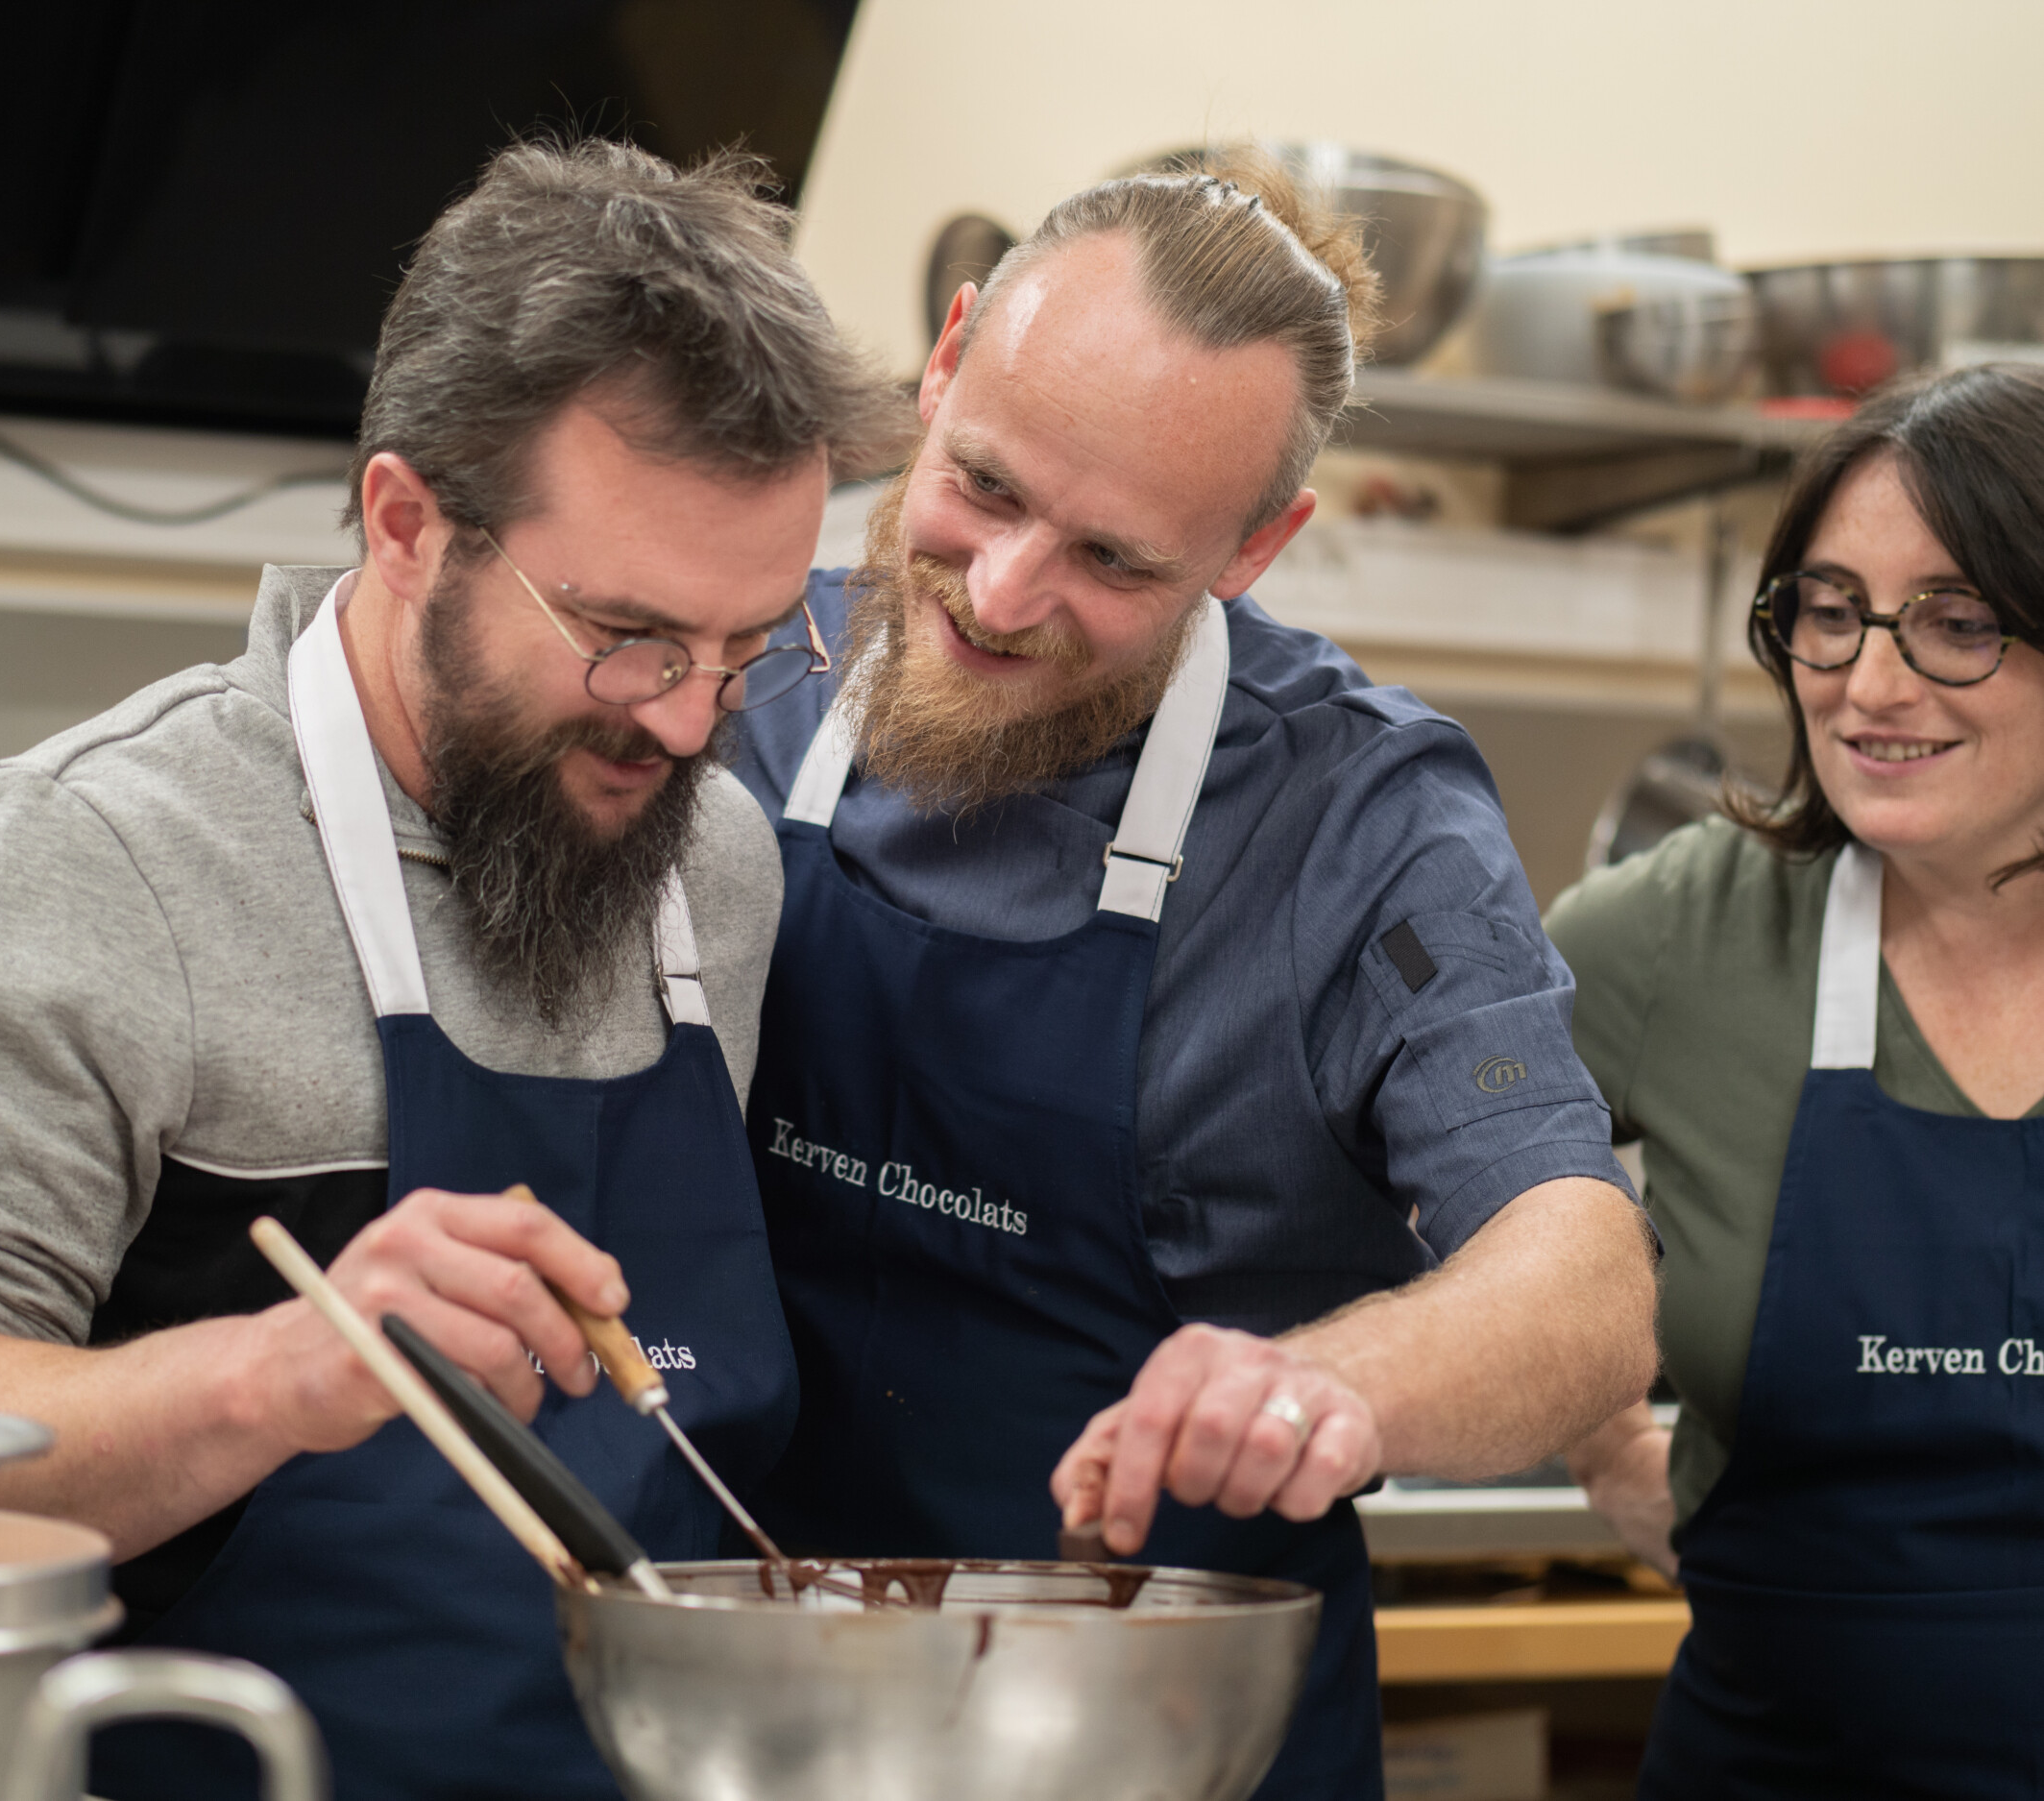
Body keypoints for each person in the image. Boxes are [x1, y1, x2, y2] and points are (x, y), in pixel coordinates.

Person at [0, 140, 890, 1801]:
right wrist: (275, 1375)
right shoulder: (87, 867)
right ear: (409, 522)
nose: (689, 716)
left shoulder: (705, 860)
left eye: (750, 645)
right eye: (627, 633)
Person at [721, 153, 1661, 1799]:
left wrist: (1323, 1382)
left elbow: (1582, 1285)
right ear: (943, 363)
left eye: (1116, 562)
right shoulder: (736, 676)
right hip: (753, 1708)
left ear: (1258, 544)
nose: (1004, 596)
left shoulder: (1360, 821)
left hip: (1162, 1746)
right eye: (986, 488)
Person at [1550, 363, 2044, 1798]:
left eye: (1957, 622)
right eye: (1831, 611)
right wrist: (1604, 1451)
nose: (1869, 683)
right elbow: (1444, 1189)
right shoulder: (1680, 934)